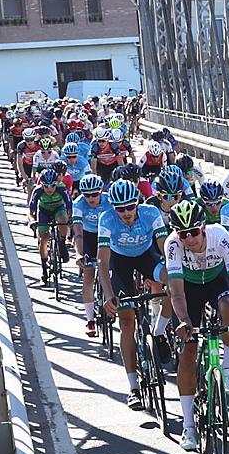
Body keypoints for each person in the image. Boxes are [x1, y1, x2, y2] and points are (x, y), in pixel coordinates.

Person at [162, 199, 229, 452]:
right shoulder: (173, 245)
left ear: (203, 227)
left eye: (194, 232)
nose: (189, 239)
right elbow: (176, 293)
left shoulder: (220, 236)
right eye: (183, 234)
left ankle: (228, 366)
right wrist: (185, 322)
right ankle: (189, 426)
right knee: (188, 352)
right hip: (188, 288)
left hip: (216, 280)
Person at [96, 179, 170, 410]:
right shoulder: (106, 219)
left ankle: (160, 331)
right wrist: (108, 295)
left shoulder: (150, 212)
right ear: (113, 208)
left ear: (137, 203)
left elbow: (164, 244)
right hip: (120, 264)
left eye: (130, 206)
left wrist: (172, 275)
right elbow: (103, 259)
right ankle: (133, 387)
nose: (126, 213)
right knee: (127, 322)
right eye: (120, 208)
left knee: (172, 279)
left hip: (146, 256)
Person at [71, 173, 110, 336]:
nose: (91, 198)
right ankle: (90, 320)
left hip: (106, 237)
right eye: (87, 195)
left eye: (95, 194)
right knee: (88, 277)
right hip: (87, 237)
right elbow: (78, 233)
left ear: (101, 191)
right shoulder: (79, 203)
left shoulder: (109, 201)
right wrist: (79, 254)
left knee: (112, 272)